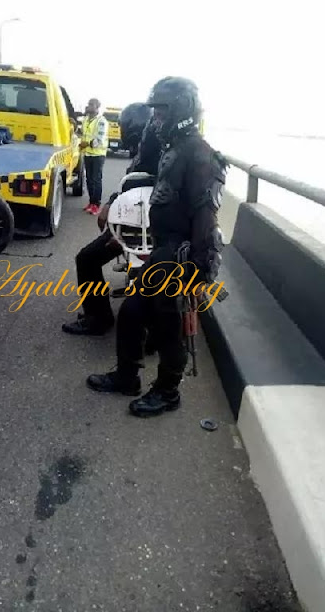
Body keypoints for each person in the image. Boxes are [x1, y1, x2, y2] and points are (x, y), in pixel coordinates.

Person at [85, 77, 228, 418]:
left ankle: (168, 391)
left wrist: (199, 270)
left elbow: (207, 217)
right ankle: (126, 376)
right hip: (162, 248)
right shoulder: (173, 149)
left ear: (180, 111)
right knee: (133, 313)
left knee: (168, 326)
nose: (156, 120)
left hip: (179, 256)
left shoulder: (201, 156)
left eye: (161, 113)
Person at [62, 103, 162, 336]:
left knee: (86, 259)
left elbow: (131, 187)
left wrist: (118, 230)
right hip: (159, 230)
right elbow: (127, 187)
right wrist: (109, 204)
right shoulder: (169, 153)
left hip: (135, 228)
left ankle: (98, 319)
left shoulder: (148, 155)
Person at [80, 98, 109, 215]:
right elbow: (82, 133)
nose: (89, 106)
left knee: (96, 180)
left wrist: (86, 144)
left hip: (98, 155)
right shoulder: (86, 119)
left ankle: (96, 205)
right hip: (87, 154)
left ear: (97, 107)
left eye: (92, 105)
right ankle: (91, 202)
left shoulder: (101, 121)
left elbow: (99, 140)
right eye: (89, 104)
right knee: (89, 179)